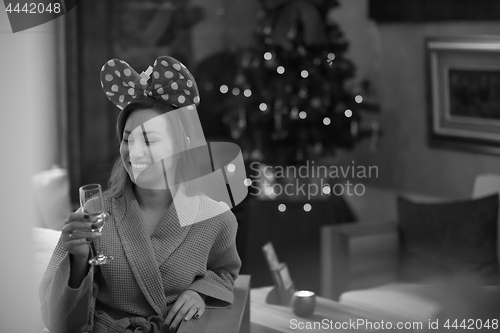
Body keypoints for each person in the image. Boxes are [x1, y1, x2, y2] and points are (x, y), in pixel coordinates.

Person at [39, 56, 243, 333]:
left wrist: (200, 292)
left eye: (149, 140)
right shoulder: (94, 215)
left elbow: (224, 272)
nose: (134, 153)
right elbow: (57, 322)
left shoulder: (216, 218)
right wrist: (77, 261)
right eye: (127, 139)